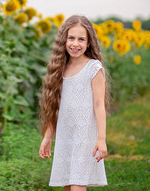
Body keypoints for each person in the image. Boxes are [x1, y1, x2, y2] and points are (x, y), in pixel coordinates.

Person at [39, 15, 109, 190]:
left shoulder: (93, 68)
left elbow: (99, 105)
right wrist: (48, 137)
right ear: (64, 40)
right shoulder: (59, 69)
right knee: (68, 185)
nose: (75, 43)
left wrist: (101, 139)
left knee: (78, 184)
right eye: (71, 38)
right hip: (65, 136)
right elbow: (55, 107)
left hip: (84, 135)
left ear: (89, 43)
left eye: (81, 39)